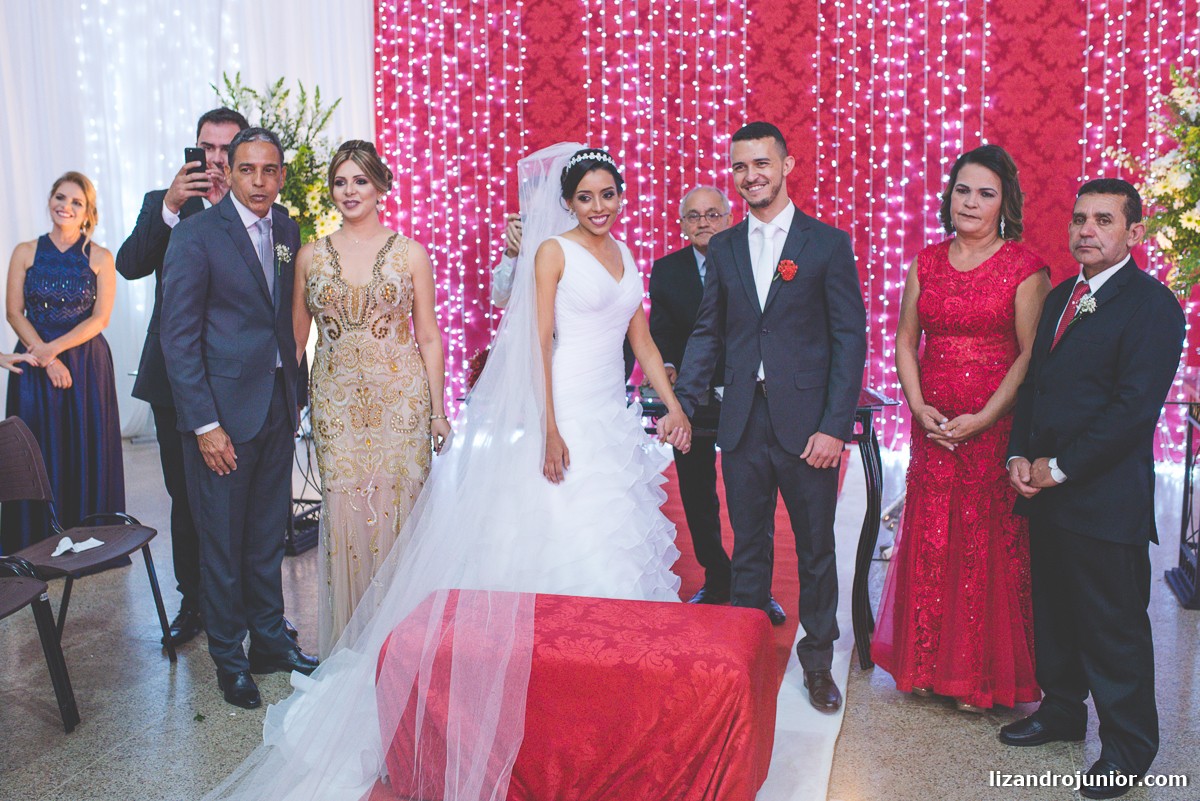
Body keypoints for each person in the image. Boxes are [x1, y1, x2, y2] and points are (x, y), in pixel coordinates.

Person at [200, 143, 689, 801]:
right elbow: (530, 337)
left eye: (609, 193)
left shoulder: (619, 255)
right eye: (586, 195)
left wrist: (674, 407)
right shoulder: (543, 253)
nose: (599, 205)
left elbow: (640, 340)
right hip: (475, 409)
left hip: (586, 413)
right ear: (567, 203)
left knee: (602, 538)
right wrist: (547, 423)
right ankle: (459, 673)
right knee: (521, 540)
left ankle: (608, 693)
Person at [673, 121, 867, 713]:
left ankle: (817, 663)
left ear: (787, 165)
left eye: (761, 163)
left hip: (808, 426)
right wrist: (684, 401)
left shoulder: (826, 243)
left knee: (814, 549)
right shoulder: (725, 246)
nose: (750, 175)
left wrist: (834, 426)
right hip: (741, 424)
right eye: (739, 166)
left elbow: (849, 339)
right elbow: (709, 331)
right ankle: (745, 664)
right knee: (749, 546)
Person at [1000, 178, 1184, 800]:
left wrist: (1061, 467)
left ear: (1134, 233)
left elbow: (1133, 411)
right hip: (1046, 492)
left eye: (1103, 220)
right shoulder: (1060, 297)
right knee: (1054, 615)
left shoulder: (1153, 306)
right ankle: (1061, 712)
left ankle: (1130, 749)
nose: (1086, 230)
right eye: (1080, 218)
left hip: (1103, 499)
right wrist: (1020, 453)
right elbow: (1034, 385)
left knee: (1113, 627)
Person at [870, 145, 1050, 712]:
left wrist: (986, 418)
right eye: (963, 190)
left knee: (983, 541)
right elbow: (905, 340)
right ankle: (924, 663)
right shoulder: (926, 261)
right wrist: (918, 406)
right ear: (949, 196)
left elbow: (1028, 356)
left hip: (991, 426)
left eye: (985, 193)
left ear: (1005, 204)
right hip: (934, 426)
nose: (971, 202)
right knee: (932, 536)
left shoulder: (1025, 267)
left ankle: (980, 677)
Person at [161, 127, 317, 710]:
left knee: (264, 538)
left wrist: (294, 394)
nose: (258, 181)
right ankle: (230, 658)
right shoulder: (198, 235)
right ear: (230, 169)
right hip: (221, 418)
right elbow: (179, 340)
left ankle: (271, 644)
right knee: (222, 545)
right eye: (247, 169)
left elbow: (284, 321)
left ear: (281, 175)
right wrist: (204, 425)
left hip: (276, 405)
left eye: (269, 170)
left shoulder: (286, 230)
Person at [292, 140, 451, 658]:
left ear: (380, 186)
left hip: (401, 403)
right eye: (341, 181)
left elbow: (428, 335)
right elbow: (297, 341)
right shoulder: (311, 255)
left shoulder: (411, 253)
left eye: (360, 180)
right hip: (336, 404)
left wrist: (438, 411)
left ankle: (404, 647)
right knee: (343, 508)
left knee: (399, 512)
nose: (350, 190)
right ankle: (353, 649)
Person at [116, 107, 249, 648]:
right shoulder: (164, 203)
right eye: (207, 147)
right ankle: (194, 601)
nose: (216, 159)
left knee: (246, 498)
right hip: (176, 381)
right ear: (193, 148)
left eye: (226, 149)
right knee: (186, 497)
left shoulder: (256, 203)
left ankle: (249, 604)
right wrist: (171, 205)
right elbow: (129, 265)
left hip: (240, 383)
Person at [2, 172, 125, 555]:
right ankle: (32, 540)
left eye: (76, 202)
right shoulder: (25, 251)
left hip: (85, 365)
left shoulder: (101, 257)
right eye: (60, 197)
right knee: (34, 447)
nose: (65, 206)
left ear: (88, 212)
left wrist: (53, 351)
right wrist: (44, 354)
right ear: (50, 200)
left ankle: (88, 536)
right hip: (33, 364)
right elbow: (13, 312)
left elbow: (100, 319)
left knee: (84, 443)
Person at [649, 185, 734, 605]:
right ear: (682, 225)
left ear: (729, 218)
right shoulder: (666, 270)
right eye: (694, 216)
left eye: (713, 214)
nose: (704, 223)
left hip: (743, 392)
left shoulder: (749, 261)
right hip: (689, 397)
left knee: (747, 494)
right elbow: (660, 331)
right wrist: (665, 369)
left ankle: (755, 586)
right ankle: (717, 577)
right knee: (697, 492)